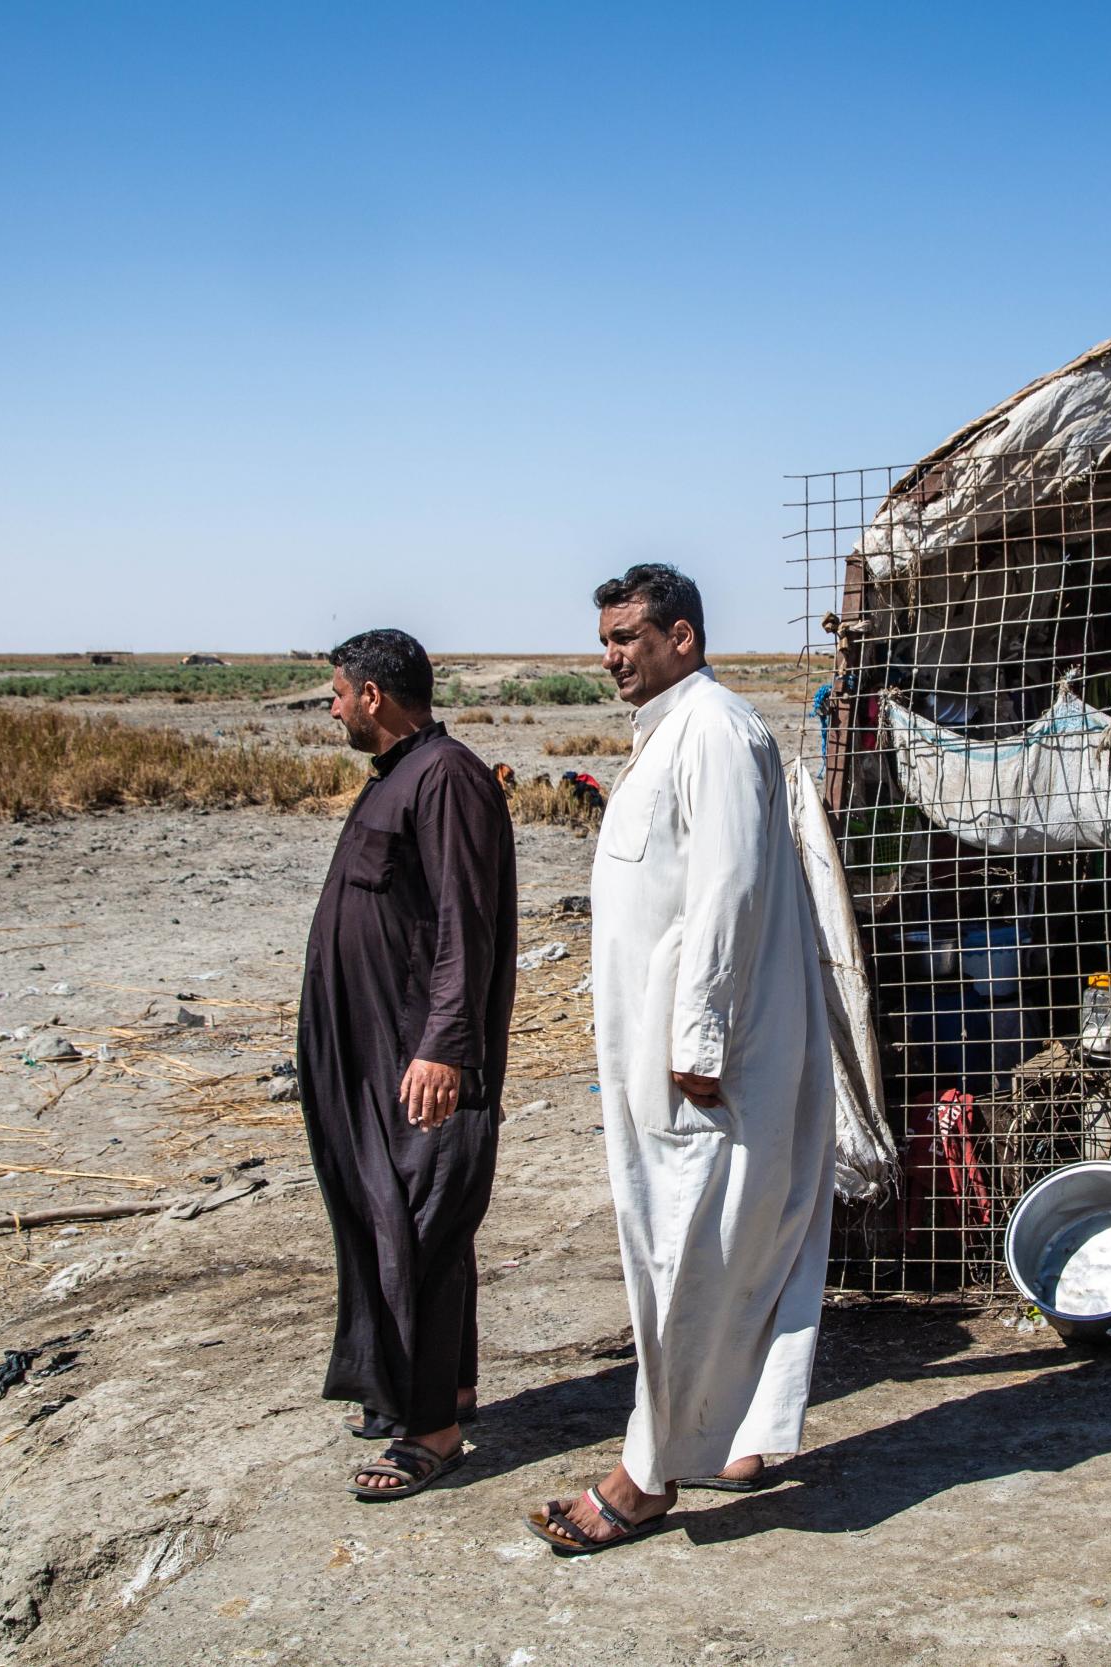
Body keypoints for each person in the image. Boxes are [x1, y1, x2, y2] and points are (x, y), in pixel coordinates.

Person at [525, 564, 837, 1555]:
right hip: (666, 1059)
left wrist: (696, 1042)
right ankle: (738, 1434)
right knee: (712, 1251)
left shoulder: (716, 730)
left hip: (705, 1066)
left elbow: (729, 896)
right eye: (606, 639)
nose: (611, 656)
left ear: (682, 637)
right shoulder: (666, 735)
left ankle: (645, 1475)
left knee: (691, 1260)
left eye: (627, 636)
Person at [298, 627, 516, 1500]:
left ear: (374, 696)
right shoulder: (403, 774)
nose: (335, 707)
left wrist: (445, 1047)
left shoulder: (449, 777)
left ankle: (430, 1431)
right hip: (381, 1059)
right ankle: (443, 1387)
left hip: (420, 1061)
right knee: (404, 1222)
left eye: (338, 693)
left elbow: (469, 922)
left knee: (420, 1226)